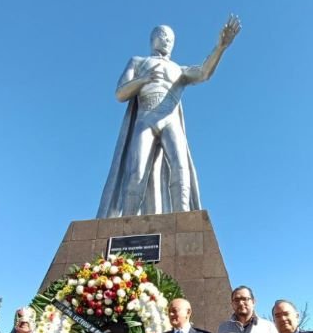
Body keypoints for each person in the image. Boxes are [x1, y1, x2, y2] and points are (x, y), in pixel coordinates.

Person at [96, 15, 242, 218]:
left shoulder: (179, 70)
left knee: (180, 166)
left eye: (171, 38)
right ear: (152, 38)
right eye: (163, 35)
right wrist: (142, 80)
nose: (167, 40)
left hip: (170, 119)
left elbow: (203, 72)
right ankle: (127, 224)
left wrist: (220, 47)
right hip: (145, 118)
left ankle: (183, 220)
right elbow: (120, 93)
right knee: (136, 171)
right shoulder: (138, 62)